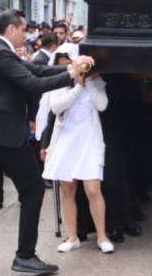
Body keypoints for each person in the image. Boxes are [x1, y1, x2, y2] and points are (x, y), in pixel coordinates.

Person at [0, 10, 95, 276]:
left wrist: (71, 66)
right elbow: (32, 83)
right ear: (11, 29)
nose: (25, 34)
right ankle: (25, 255)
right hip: (4, 132)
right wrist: (72, 75)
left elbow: (36, 68)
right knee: (32, 189)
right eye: (22, 29)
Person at [42, 69, 113, 254]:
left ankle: (102, 236)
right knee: (68, 189)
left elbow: (102, 105)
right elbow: (56, 107)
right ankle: (72, 237)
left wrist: (89, 82)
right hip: (66, 140)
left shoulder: (96, 81)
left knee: (93, 189)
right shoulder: (61, 81)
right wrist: (77, 87)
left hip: (90, 141)